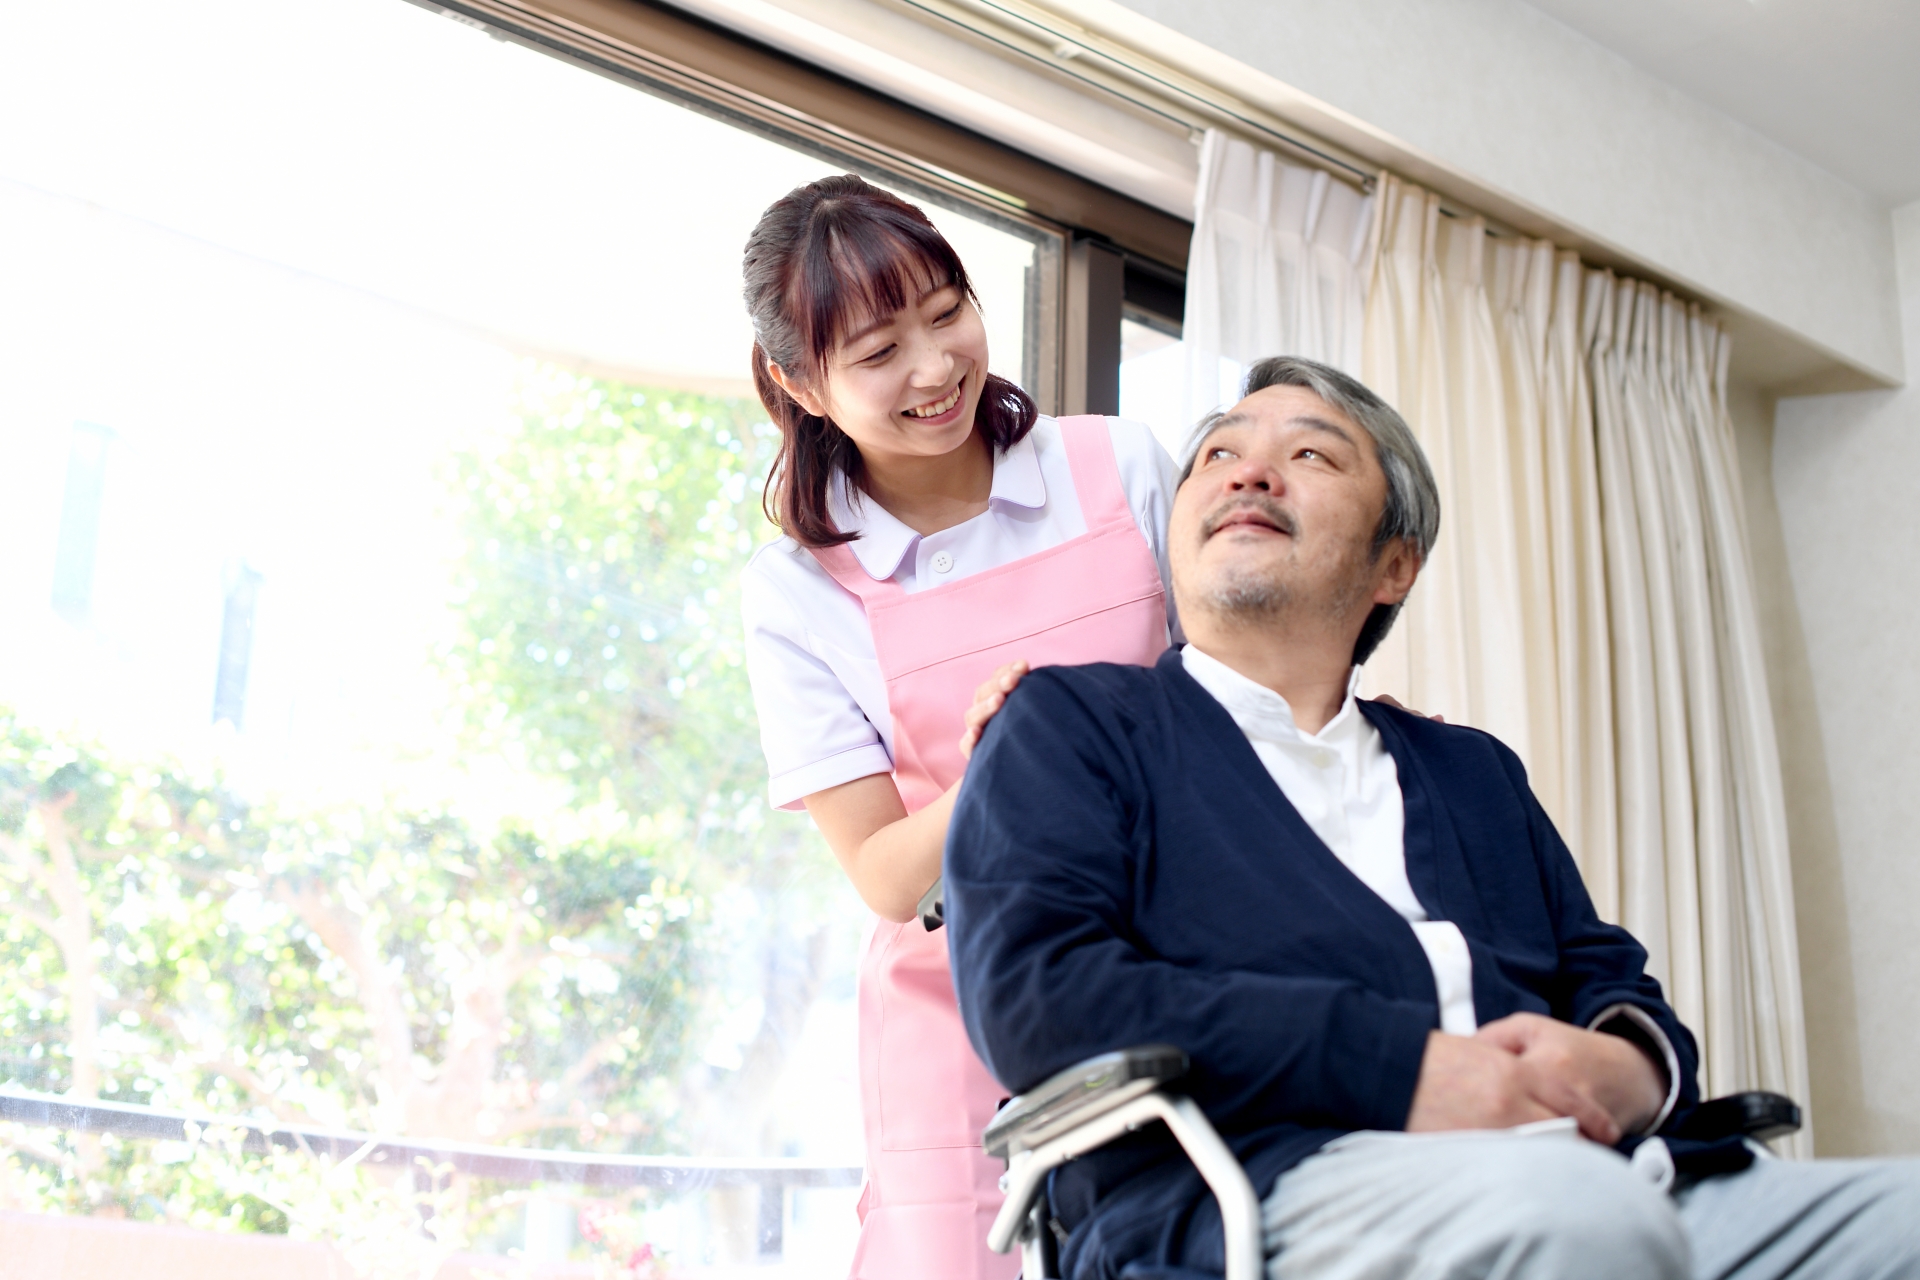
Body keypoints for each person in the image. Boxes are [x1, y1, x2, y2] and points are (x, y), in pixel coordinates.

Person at [945, 355, 1920, 1280]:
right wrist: (1400, 1066)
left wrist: (1632, 1066)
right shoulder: (1071, 724)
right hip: (1267, 1177)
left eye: (1311, 454)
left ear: (1395, 565)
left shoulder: (1472, 772)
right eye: (1219, 453)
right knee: (1578, 1218)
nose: (1250, 473)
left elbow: (1608, 974)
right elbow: (1040, 993)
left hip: (1614, 1171)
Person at [737, 174, 1181, 1280]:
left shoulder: (1118, 468)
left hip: (1173, 947)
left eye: (948, 312)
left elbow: (1227, 708)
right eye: (880, 349)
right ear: (800, 382)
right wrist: (1006, 765)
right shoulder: (799, 589)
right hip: (956, 1001)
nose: (936, 368)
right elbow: (887, 873)